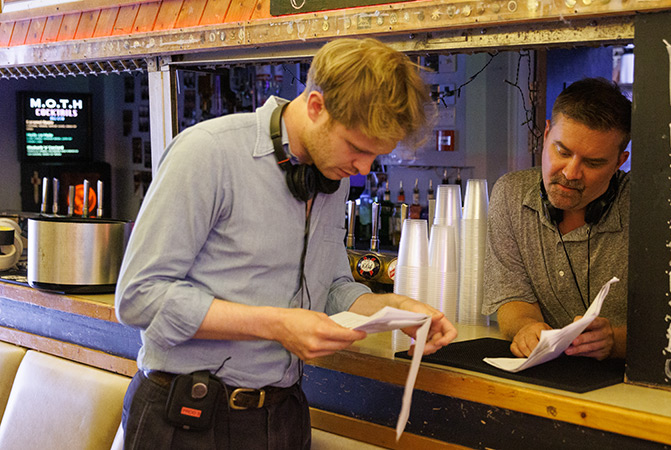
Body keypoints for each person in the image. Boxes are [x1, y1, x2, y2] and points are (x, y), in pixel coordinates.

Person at [115, 38, 457, 449]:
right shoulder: (208, 153)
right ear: (316, 106)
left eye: (376, 157)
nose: (363, 169)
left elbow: (330, 287)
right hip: (188, 416)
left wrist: (396, 307)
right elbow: (139, 298)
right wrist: (276, 325)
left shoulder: (333, 175)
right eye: (357, 148)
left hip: (283, 416)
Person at [482, 77, 631, 362]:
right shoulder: (511, 194)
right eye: (562, 152)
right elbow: (512, 299)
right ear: (547, 132)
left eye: (593, 162)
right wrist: (527, 328)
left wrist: (616, 341)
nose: (571, 172)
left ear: (619, 161)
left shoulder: (646, 206)